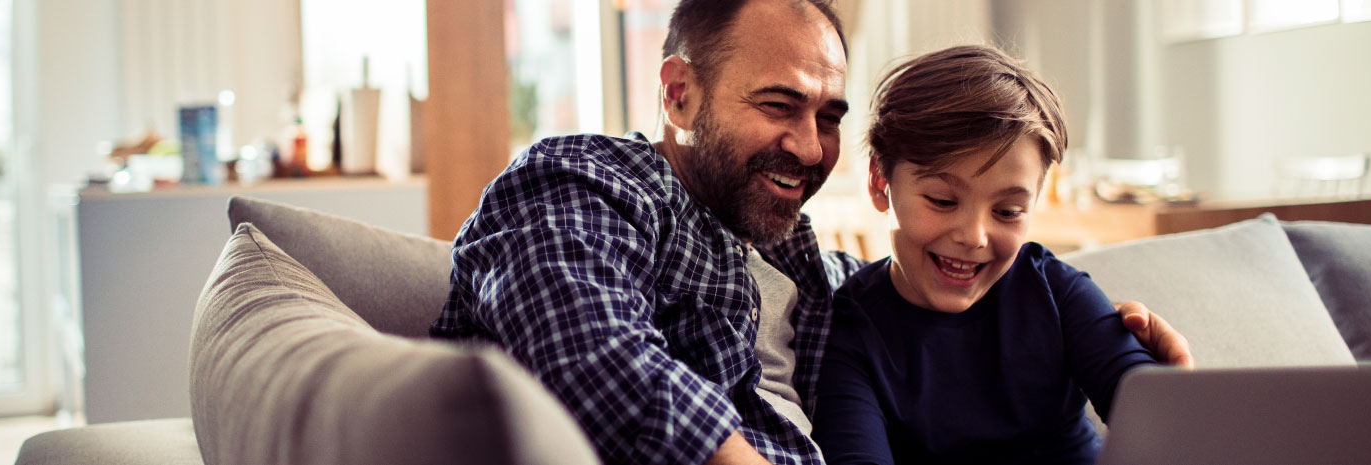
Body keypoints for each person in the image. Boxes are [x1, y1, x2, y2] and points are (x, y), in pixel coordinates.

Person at [433, 1, 1193, 464]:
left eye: (828, 116)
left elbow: (923, 299)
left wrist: (1155, 384)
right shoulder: (584, 182)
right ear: (679, 93)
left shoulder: (804, 265)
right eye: (777, 104)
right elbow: (588, 346)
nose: (808, 145)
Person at [809, 45, 1155, 465]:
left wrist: (1174, 390)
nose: (974, 236)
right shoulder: (850, 332)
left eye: (1007, 212)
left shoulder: (1057, 292)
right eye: (941, 200)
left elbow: (1166, 419)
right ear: (881, 183)